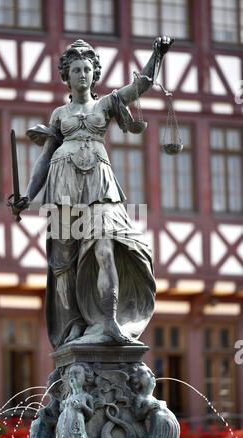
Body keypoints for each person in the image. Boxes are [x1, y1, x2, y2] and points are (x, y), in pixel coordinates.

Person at [12, 37, 174, 349]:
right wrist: (28, 196)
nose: (83, 74)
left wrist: (158, 54)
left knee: (105, 247)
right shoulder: (59, 115)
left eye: (88, 69)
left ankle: (110, 320)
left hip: (100, 184)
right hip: (63, 185)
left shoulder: (107, 104)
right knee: (63, 260)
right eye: (76, 70)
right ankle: (73, 324)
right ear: (67, 76)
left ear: (94, 73)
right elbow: (44, 159)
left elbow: (141, 86)